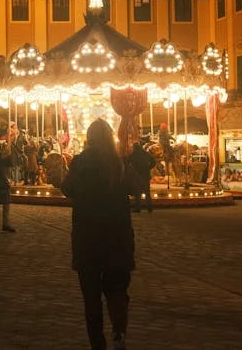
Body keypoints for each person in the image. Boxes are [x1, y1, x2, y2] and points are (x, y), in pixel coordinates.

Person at [62, 119, 135, 350]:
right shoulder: (118, 163)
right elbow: (134, 188)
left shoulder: (80, 162)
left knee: (91, 298)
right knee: (117, 291)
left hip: (88, 237)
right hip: (117, 237)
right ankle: (119, 332)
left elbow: (68, 189)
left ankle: (97, 344)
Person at [129, 141, 156, 213]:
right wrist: (148, 167)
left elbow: (128, 162)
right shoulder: (145, 153)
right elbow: (153, 161)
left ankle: (138, 208)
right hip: (145, 174)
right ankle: (149, 208)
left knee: (138, 192)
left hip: (137, 175)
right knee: (147, 192)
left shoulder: (134, 154)